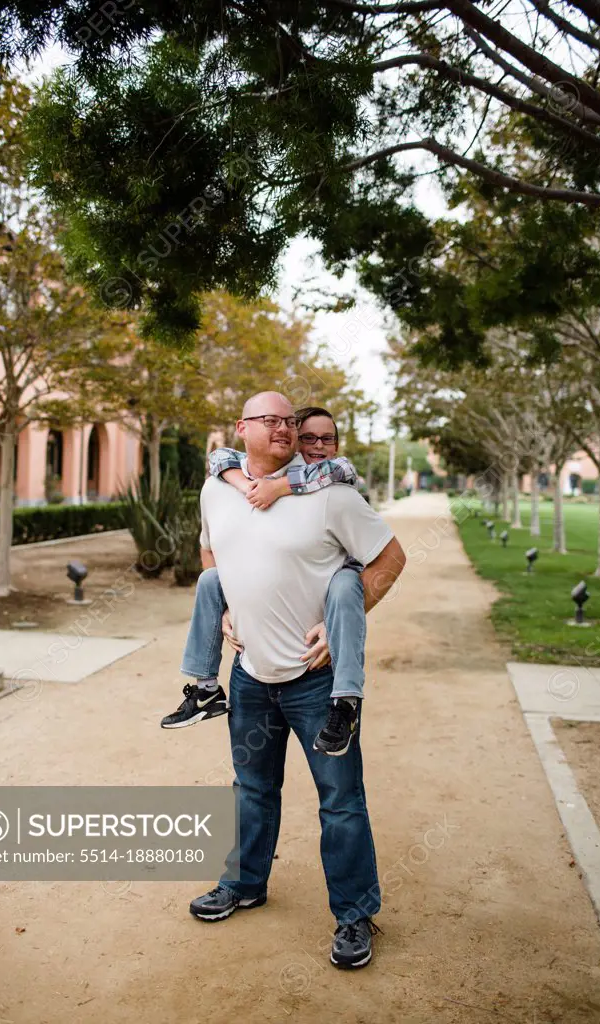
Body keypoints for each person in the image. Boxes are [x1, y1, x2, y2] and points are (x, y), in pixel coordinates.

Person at [182, 391, 406, 970]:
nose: (283, 429)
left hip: (317, 684)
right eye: (270, 420)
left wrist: (342, 627)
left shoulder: (331, 495)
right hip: (251, 677)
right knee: (251, 789)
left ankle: (355, 915)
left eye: (289, 421)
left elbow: (390, 557)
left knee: (341, 801)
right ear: (243, 428)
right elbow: (210, 550)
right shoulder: (216, 488)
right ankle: (244, 883)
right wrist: (224, 603)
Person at [161, 406, 368, 756]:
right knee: (211, 579)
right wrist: (245, 485)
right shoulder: (229, 481)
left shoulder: (335, 479)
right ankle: (206, 687)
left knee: (346, 587)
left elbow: (338, 468)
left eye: (327, 438)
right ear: (295, 444)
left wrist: (278, 487)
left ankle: (346, 702)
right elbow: (219, 457)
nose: (318, 445)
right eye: (308, 438)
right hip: (253, 670)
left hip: (343, 577)